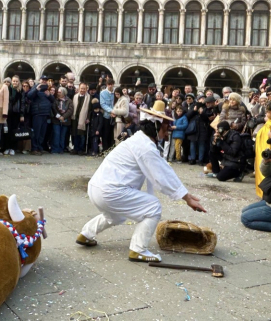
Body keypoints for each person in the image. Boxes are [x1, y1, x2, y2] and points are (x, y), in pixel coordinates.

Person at [76, 104, 206, 262]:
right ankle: (138, 249)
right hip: (110, 192)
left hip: (96, 189)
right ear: (156, 126)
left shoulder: (138, 140)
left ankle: (86, 234)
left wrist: (185, 195)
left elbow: (162, 171)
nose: (168, 130)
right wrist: (187, 198)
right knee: (153, 207)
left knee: (116, 216)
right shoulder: (145, 147)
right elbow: (163, 175)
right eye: (166, 126)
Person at [27, 81, 54, 155]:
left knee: (42, 133)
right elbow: (29, 96)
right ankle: (34, 148)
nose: (44, 81)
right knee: (36, 132)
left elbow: (53, 100)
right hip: (37, 114)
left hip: (45, 114)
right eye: (42, 79)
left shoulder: (47, 90)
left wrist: (49, 95)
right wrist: (36, 90)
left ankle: (39, 147)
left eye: (45, 80)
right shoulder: (35, 87)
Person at [4, 75, 23, 156]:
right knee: (7, 131)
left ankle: (13, 148)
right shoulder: (8, 89)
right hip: (8, 113)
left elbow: (22, 103)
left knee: (14, 131)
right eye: (14, 81)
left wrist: (22, 114)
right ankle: (6, 147)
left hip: (16, 113)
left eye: (16, 81)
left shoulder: (21, 91)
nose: (15, 82)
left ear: (18, 82)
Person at [51, 87, 73, 154]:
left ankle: (61, 149)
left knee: (63, 135)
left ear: (64, 93)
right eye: (58, 92)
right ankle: (55, 149)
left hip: (65, 121)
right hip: (56, 120)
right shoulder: (55, 100)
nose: (58, 93)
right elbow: (54, 109)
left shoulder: (69, 101)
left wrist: (63, 117)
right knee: (56, 134)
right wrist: (59, 116)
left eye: (60, 92)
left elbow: (70, 110)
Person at [71, 83, 91, 155]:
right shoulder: (75, 96)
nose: (82, 90)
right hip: (75, 118)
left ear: (86, 89)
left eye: (84, 88)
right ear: (79, 88)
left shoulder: (89, 97)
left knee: (82, 135)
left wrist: (88, 118)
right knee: (75, 134)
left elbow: (90, 109)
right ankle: (75, 148)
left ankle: (81, 149)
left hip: (83, 119)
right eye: (81, 88)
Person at [99, 78, 115, 151]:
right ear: (106, 85)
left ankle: (111, 149)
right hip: (106, 116)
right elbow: (103, 104)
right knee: (105, 133)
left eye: (112, 84)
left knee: (112, 134)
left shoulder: (115, 93)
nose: (110, 86)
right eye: (109, 84)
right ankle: (105, 149)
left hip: (114, 116)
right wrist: (111, 111)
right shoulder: (102, 93)